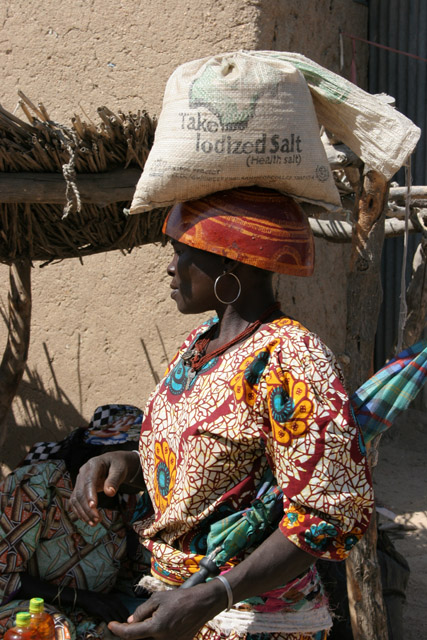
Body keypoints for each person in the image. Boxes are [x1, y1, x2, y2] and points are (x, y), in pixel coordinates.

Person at [70, 186, 374, 640]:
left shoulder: (290, 359)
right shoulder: (199, 346)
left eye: (181, 252)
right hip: (179, 602)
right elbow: (200, 475)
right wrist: (120, 465)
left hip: (255, 622)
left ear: (231, 262)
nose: (170, 268)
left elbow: (325, 515)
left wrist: (216, 595)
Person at [0, 405, 147, 640]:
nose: (143, 463)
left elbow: (133, 576)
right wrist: (85, 599)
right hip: (25, 612)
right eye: (135, 452)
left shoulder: (127, 503)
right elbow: (4, 574)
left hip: (86, 616)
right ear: (104, 451)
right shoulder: (38, 486)